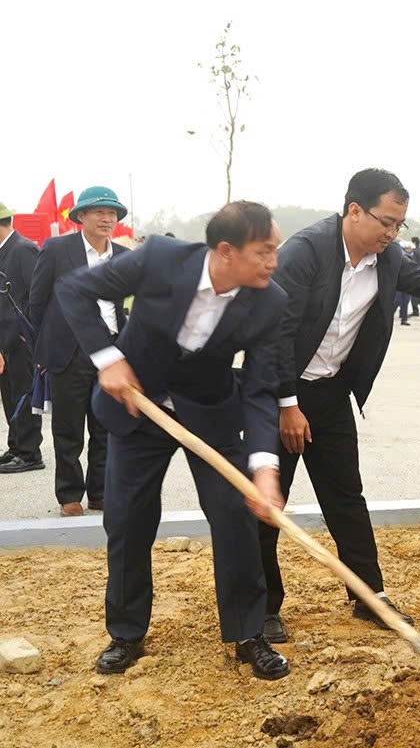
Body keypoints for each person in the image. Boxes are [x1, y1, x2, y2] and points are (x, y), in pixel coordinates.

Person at [260, 169, 420, 643]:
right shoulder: (304, 254)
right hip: (277, 395)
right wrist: (286, 404)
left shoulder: (388, 258)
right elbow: (275, 334)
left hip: (331, 392)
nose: (393, 233)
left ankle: (369, 598)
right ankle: (261, 609)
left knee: (346, 497)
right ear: (354, 210)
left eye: (399, 224)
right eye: (386, 222)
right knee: (268, 503)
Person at [58, 202, 290, 680]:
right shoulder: (160, 259)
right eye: (264, 251)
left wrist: (264, 468)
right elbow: (75, 290)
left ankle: (248, 633)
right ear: (226, 251)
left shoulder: (270, 301)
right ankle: (126, 633)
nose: (274, 262)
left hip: (210, 414)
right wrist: (109, 359)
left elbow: (262, 387)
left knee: (236, 517)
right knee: (127, 519)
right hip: (137, 408)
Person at [29, 186, 130, 515]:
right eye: (99, 212)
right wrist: (42, 351)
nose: (107, 219)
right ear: (81, 216)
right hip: (69, 352)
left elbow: (124, 306)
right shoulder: (57, 250)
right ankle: (69, 495)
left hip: (112, 352)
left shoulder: (124, 256)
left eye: (112, 213)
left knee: (105, 427)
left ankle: (99, 492)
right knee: (68, 428)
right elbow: (37, 303)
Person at [0, 203, 43, 473]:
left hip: (21, 338)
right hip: (5, 340)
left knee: (23, 393)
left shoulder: (22, 249)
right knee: (9, 393)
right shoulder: (4, 252)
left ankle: (29, 453)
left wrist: (27, 333)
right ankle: (16, 445)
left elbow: (36, 296)